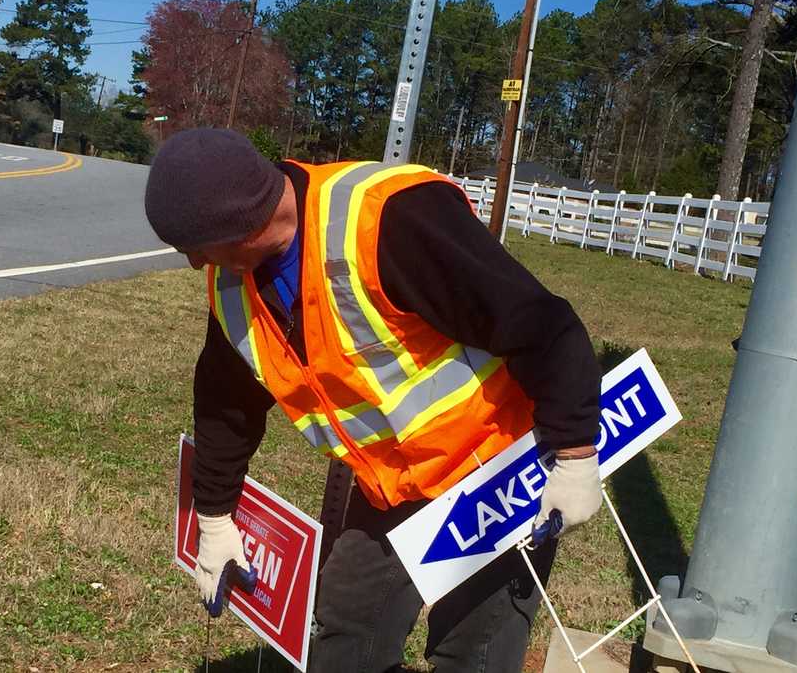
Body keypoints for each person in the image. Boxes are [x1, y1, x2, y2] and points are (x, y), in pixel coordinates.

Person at [144, 128, 603, 672]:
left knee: (472, 650)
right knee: (349, 626)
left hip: (499, 468)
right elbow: (226, 405)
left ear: (240, 227)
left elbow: (540, 324)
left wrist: (575, 452)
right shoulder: (232, 286)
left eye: (195, 249)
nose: (195, 264)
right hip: (392, 484)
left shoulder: (389, 218)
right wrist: (215, 517)